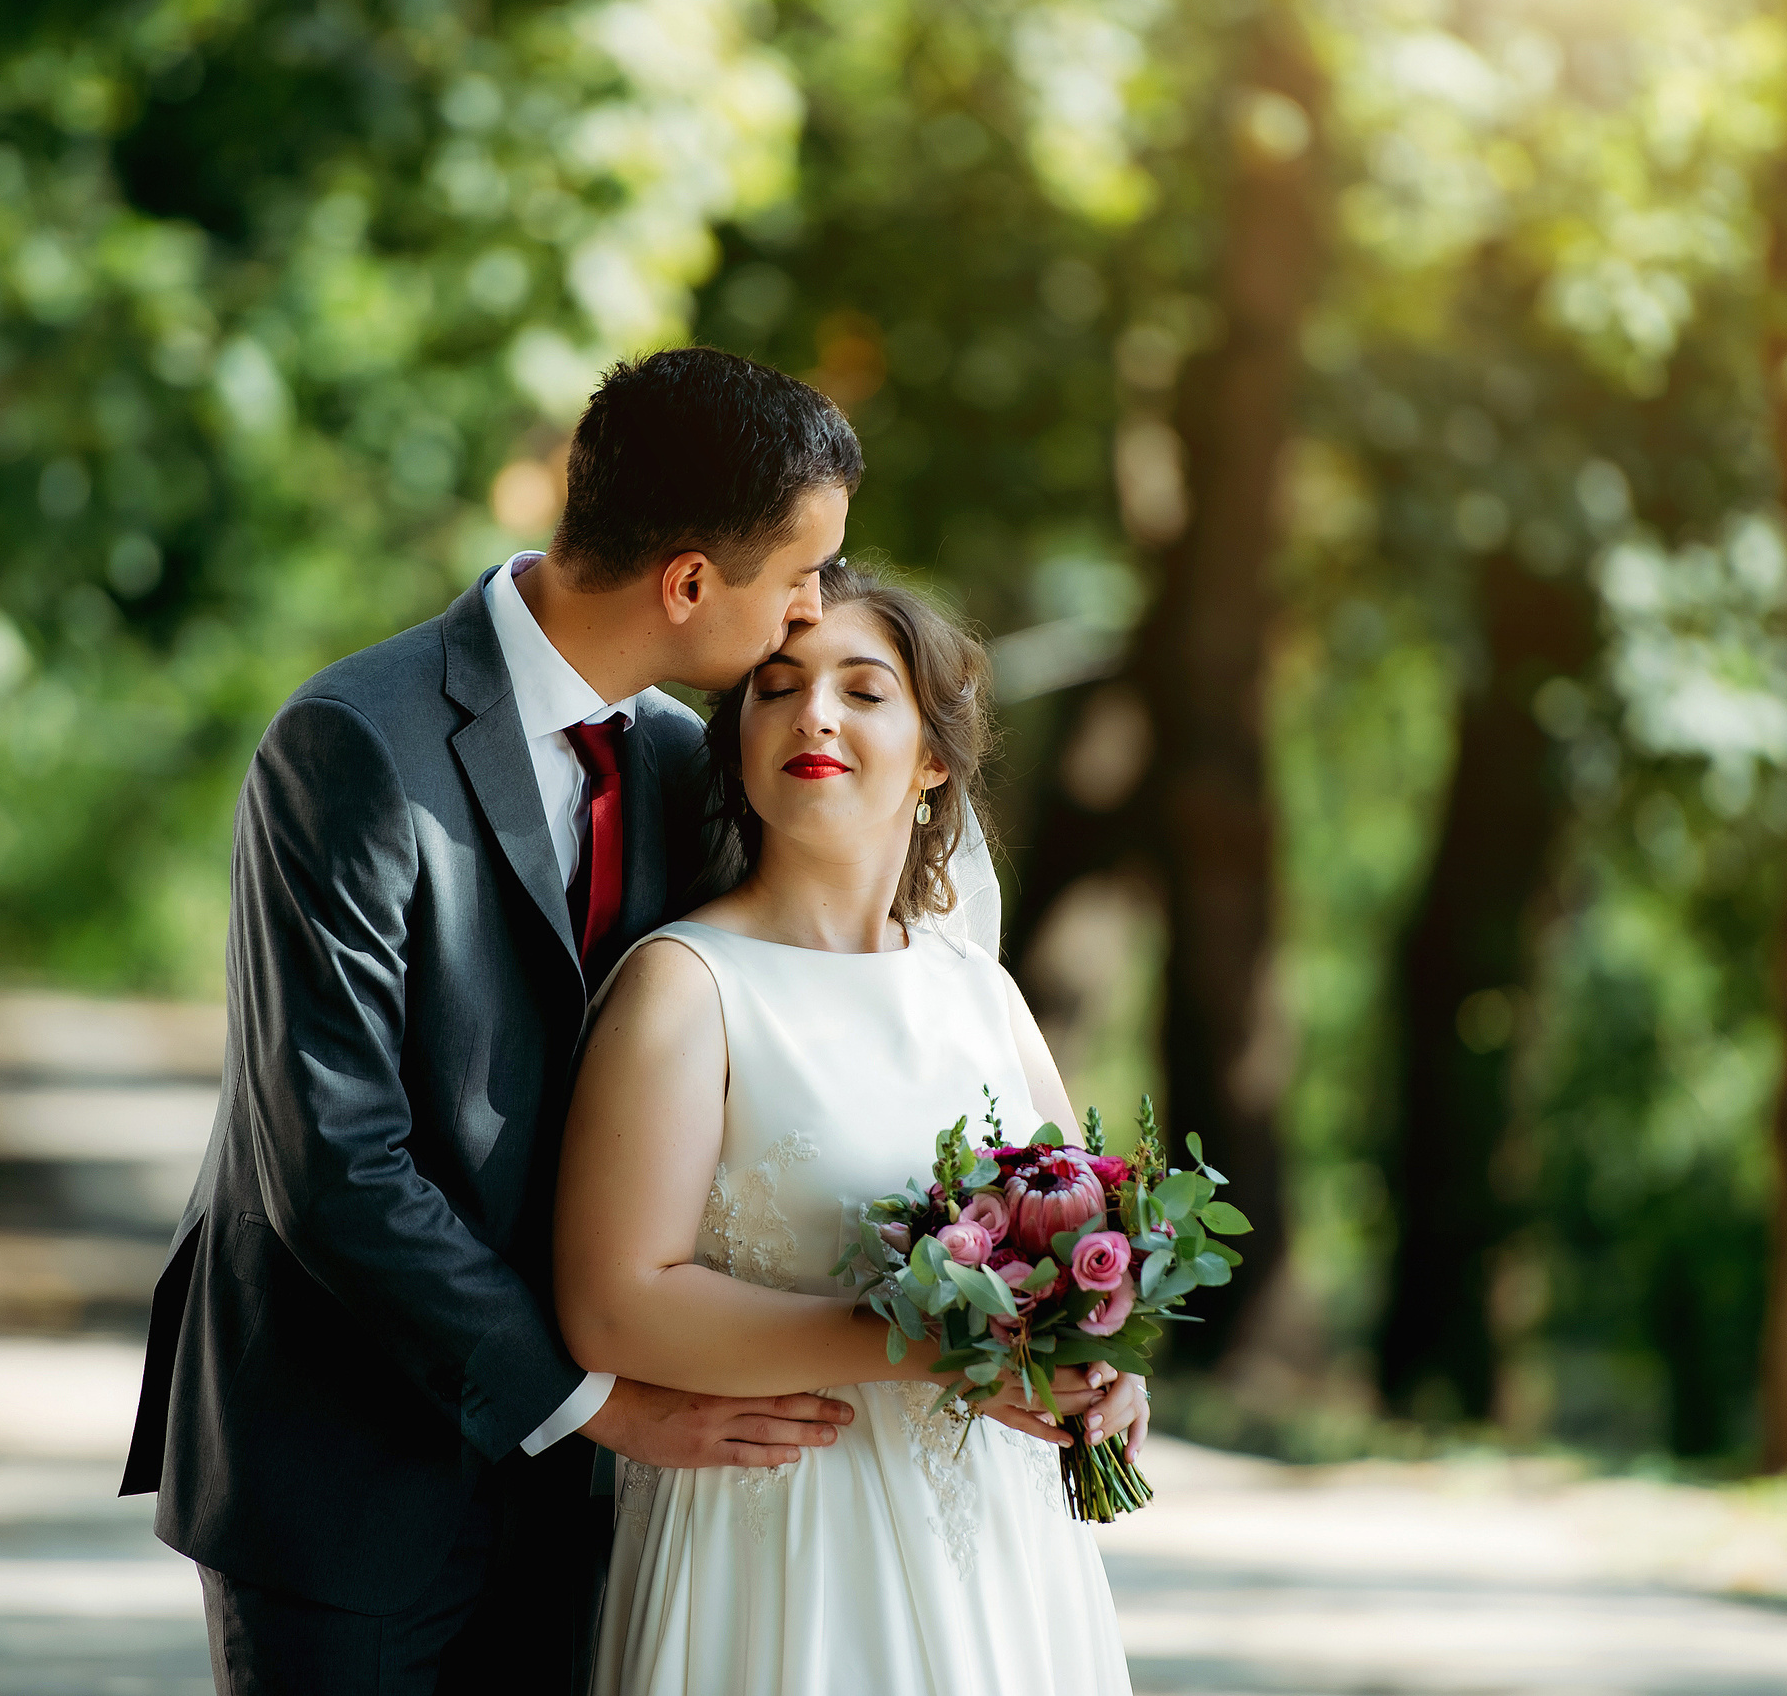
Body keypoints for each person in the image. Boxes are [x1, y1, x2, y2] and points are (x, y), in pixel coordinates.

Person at [119, 346, 1139, 1693]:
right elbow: (331, 1155)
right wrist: (595, 1396)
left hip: (606, 1496)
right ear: (689, 582)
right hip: (356, 1458)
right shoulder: (354, 741)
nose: (808, 609)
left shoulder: (679, 762)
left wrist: (1065, 1332)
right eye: (799, 575)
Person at [557, 562, 1142, 1696]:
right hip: (785, 1547)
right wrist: (929, 1345)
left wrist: (1104, 1370)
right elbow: (612, 1304)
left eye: (862, 690)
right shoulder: (688, 985)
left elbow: (1088, 1249)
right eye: (776, 687)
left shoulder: (981, 991)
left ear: (933, 758)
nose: (813, 713)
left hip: (1004, 1552)